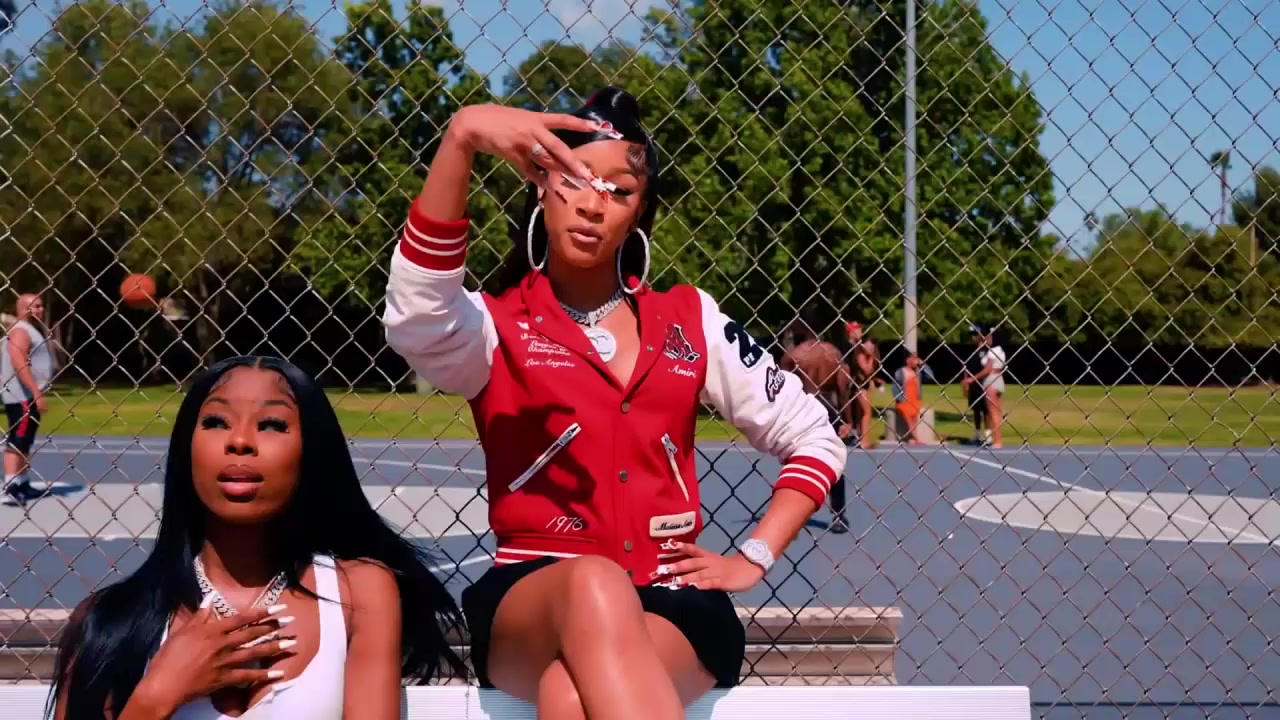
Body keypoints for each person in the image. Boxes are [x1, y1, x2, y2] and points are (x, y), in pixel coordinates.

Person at [382, 87, 847, 720]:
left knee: (570, 697)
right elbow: (415, 319)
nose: (592, 204)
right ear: (541, 189)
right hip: (532, 594)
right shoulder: (493, 326)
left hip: (672, 596)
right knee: (594, 582)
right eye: (573, 179)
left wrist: (755, 554)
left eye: (618, 190)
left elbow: (815, 435)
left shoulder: (691, 320)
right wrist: (461, 136)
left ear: (639, 213)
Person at [49, 356, 465, 720]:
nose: (240, 441)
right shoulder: (108, 623)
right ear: (186, 448)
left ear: (311, 450)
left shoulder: (359, 593)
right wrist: (157, 696)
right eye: (216, 422)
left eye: (272, 424)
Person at [780, 317, 852, 534]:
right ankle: (839, 515)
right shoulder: (833, 352)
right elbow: (842, 386)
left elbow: (782, 387)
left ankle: (791, 514)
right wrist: (847, 419)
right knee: (834, 461)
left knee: (797, 460)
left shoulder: (793, 355)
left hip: (803, 407)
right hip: (828, 407)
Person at [2, 293, 55, 506]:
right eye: (37, 306)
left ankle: (22, 482)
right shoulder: (21, 330)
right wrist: (36, 392)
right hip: (22, 396)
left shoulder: (30, 329)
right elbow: (18, 360)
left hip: (27, 396)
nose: (41, 310)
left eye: (42, 306)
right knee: (18, 439)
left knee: (25, 440)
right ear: (24, 308)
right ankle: (10, 487)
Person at [963, 324, 1006, 449]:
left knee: (992, 412)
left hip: (991, 380)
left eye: (989, 337)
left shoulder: (992, 351)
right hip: (998, 379)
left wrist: (973, 378)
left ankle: (996, 441)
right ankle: (997, 439)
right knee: (996, 412)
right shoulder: (999, 350)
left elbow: (988, 369)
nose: (987, 339)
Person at [845, 321, 880, 449]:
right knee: (867, 412)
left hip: (861, 383)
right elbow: (866, 369)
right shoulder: (858, 350)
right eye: (857, 329)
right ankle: (864, 441)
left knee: (861, 413)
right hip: (859, 384)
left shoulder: (858, 347)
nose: (860, 331)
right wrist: (871, 356)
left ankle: (861, 437)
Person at [892, 352, 924, 445]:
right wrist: (899, 398)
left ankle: (912, 438)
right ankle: (916, 438)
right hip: (904, 399)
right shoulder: (900, 372)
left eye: (917, 358)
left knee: (914, 419)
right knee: (908, 418)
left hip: (915, 398)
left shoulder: (918, 372)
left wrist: (923, 365)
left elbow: (930, 376)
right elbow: (895, 387)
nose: (916, 361)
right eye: (914, 358)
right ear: (908, 360)